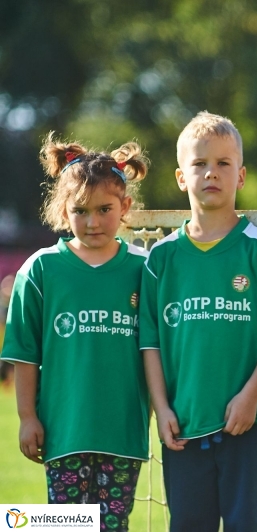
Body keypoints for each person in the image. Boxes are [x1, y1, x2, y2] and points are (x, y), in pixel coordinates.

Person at [139, 112, 257, 532]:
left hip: (247, 423)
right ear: (181, 177)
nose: (211, 173)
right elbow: (150, 343)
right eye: (200, 163)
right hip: (183, 425)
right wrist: (161, 406)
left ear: (241, 175)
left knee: (247, 525)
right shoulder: (161, 258)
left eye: (223, 163)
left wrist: (251, 397)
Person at [1, 133, 149, 532]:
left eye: (104, 209)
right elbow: (25, 352)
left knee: (112, 525)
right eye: (80, 210)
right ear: (63, 211)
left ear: (125, 207)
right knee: (66, 526)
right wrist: (28, 416)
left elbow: (155, 350)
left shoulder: (145, 269)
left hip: (123, 432)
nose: (93, 221)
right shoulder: (41, 269)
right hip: (63, 432)